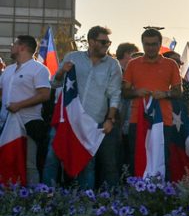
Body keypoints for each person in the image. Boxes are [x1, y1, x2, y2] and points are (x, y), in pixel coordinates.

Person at [44, 26, 121, 188]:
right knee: (53, 157)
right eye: (103, 42)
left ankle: (85, 200)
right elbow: (55, 83)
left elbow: (115, 94)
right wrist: (61, 72)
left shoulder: (112, 65)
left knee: (87, 163)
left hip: (92, 121)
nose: (107, 45)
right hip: (67, 117)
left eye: (108, 42)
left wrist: (110, 119)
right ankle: (45, 196)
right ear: (91, 41)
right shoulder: (72, 57)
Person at [121, 28, 182, 178]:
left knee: (163, 158)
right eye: (147, 44)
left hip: (163, 120)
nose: (150, 48)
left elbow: (178, 92)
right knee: (137, 158)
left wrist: (165, 94)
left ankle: (162, 191)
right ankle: (136, 189)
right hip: (138, 120)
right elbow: (124, 92)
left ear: (160, 44)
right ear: (142, 44)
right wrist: (136, 92)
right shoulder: (133, 64)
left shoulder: (171, 64)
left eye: (154, 44)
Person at [0, 35, 51, 185]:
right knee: (6, 162)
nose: (11, 47)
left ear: (22, 47)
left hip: (29, 124)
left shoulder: (39, 69)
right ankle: (9, 195)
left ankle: (33, 196)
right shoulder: (8, 70)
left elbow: (45, 94)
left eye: (14, 44)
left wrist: (19, 105)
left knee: (29, 164)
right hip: (5, 124)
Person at [115, 42, 139, 180]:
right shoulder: (115, 69)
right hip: (116, 119)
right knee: (117, 156)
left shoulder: (131, 71)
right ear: (126, 54)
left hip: (127, 122)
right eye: (134, 55)